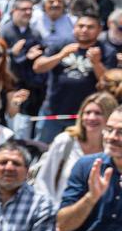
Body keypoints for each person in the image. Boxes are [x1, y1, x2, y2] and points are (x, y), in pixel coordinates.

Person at [33, 12, 117, 143]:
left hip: (84, 116)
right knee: (42, 149)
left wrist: (96, 63)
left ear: (99, 30)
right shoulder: (62, 44)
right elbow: (38, 67)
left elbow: (108, 84)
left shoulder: (106, 51)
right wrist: (61, 55)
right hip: (53, 111)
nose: (84, 30)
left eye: (90, 27)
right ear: (74, 27)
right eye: (81, 26)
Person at [36, 92, 118, 201]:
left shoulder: (114, 149)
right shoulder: (65, 142)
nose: (91, 117)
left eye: (98, 113)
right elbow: (44, 182)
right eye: (87, 112)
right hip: (60, 212)